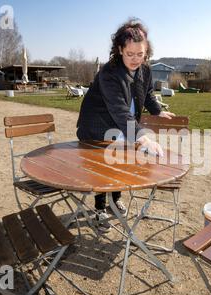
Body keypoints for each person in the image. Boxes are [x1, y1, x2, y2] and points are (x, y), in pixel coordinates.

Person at [76, 18, 175, 232]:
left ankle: (115, 199)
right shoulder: (109, 73)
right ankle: (100, 208)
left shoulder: (145, 70)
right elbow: (119, 111)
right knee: (103, 168)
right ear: (120, 49)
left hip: (124, 127)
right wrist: (142, 137)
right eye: (130, 54)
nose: (135, 59)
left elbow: (147, 93)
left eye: (141, 54)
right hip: (98, 126)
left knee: (120, 164)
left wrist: (157, 110)